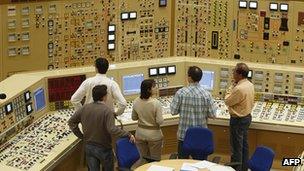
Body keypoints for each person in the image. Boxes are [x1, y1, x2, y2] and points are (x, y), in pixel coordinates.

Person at [68, 85, 135, 171]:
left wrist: (81, 136)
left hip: (89, 146)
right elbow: (112, 129)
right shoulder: (107, 111)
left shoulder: (84, 108)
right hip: (104, 147)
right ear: (104, 97)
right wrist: (128, 134)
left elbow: (71, 122)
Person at [170, 66, 216, 159]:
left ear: (189, 77)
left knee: (182, 163)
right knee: (200, 165)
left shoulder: (181, 93)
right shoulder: (207, 94)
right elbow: (213, 115)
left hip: (184, 136)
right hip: (201, 137)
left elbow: (173, 111)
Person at [225, 63, 254, 171]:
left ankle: (236, 169)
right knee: (244, 147)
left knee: (236, 148)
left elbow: (227, 101)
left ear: (240, 74)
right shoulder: (250, 84)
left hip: (238, 120)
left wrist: (231, 88)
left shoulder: (238, 88)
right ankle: (244, 168)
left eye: (234, 71)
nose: (233, 73)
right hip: (247, 118)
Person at [132, 79, 164, 165]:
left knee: (143, 160)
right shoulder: (156, 103)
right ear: (149, 90)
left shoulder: (136, 101)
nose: (156, 87)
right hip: (154, 136)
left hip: (140, 134)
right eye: (154, 86)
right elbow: (160, 121)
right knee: (155, 161)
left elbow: (134, 118)